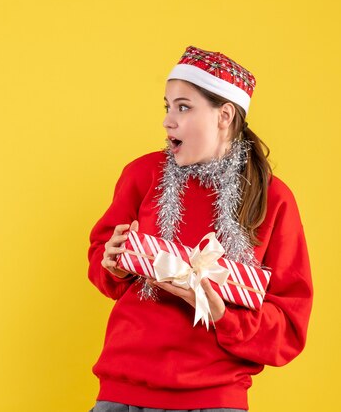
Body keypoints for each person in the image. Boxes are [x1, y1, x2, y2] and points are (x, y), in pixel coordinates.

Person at [87, 46, 313, 412]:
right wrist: (110, 264)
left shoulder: (274, 199)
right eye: (167, 106)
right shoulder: (141, 175)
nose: (167, 121)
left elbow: (288, 328)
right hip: (122, 393)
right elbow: (102, 262)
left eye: (184, 107)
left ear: (224, 115)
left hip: (214, 399)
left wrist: (221, 314)